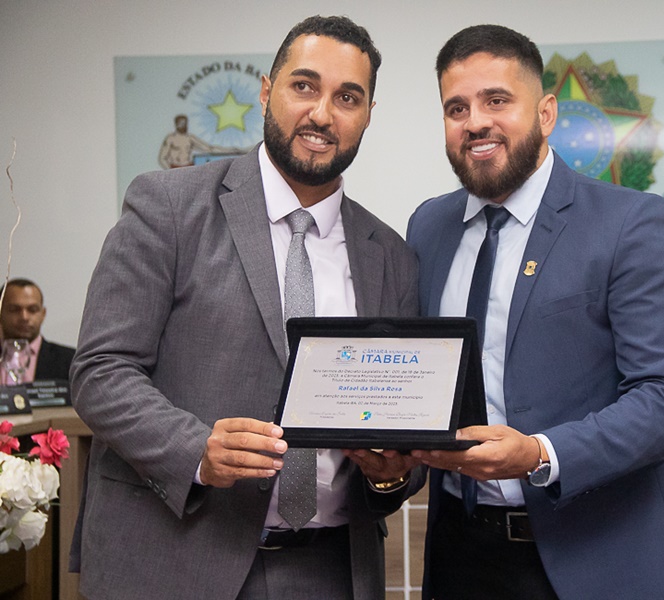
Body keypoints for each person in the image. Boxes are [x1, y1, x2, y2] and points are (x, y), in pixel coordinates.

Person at [70, 16, 421, 600]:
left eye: (347, 97)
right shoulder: (168, 207)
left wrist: (393, 477)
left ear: (367, 114)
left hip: (331, 571)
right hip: (172, 560)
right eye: (303, 86)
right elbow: (99, 371)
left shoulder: (392, 257)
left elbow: (405, 425)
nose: (321, 113)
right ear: (266, 90)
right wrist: (196, 450)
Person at [407, 24, 664, 600]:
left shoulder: (631, 222)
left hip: (599, 555)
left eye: (497, 100)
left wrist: (540, 454)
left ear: (546, 112)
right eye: (456, 107)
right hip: (460, 555)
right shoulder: (428, 226)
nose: (476, 121)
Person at [0, 278, 75, 382]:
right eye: (14, 309)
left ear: (43, 314)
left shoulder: (71, 361)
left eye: (32, 310)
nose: (24, 317)